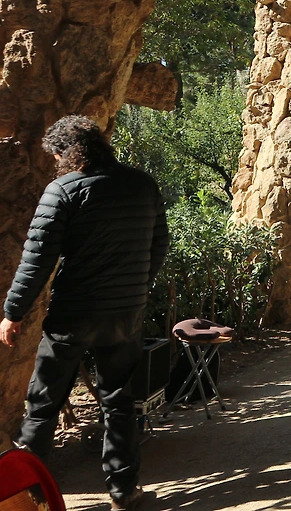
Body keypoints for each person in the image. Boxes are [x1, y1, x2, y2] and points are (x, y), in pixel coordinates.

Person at [0, 116, 168, 511]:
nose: (56, 162)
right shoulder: (142, 184)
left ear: (66, 153)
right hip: (125, 314)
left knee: (43, 404)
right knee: (118, 400)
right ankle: (124, 491)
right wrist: (135, 289)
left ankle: (34, 496)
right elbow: (158, 245)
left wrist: (12, 312)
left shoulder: (62, 190)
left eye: (56, 156)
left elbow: (37, 260)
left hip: (73, 315)